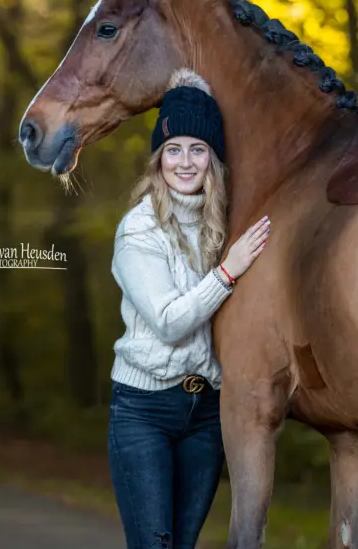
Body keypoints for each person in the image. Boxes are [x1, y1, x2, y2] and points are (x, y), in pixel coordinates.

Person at [107, 68, 270, 549]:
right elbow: (170, 322)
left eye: (197, 149)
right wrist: (228, 272)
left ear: (212, 160)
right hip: (144, 412)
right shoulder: (139, 231)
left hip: (205, 414)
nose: (185, 161)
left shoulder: (223, 224)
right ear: (158, 159)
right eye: (173, 149)